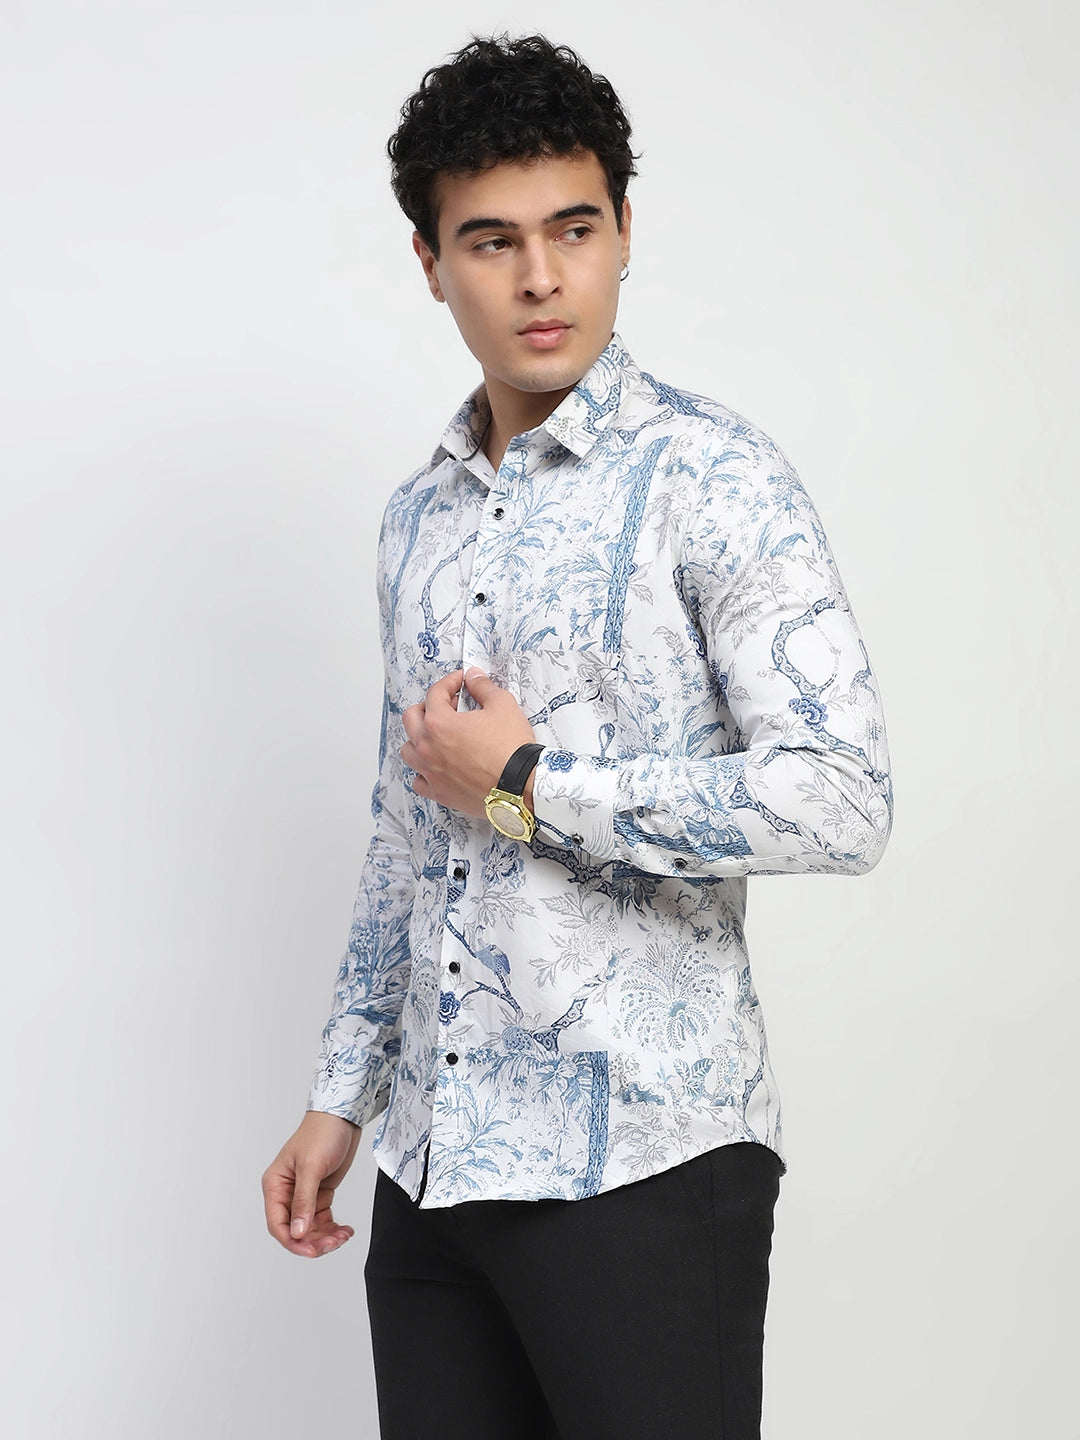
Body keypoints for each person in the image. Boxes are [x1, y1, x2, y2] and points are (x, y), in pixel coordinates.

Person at [262, 33, 891, 1440]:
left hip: (645, 1161)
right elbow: (406, 826)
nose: (540, 277)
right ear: (431, 263)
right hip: (435, 1169)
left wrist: (529, 784)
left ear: (624, 232)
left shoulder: (715, 479)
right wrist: (341, 1094)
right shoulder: (416, 519)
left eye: (574, 229)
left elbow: (842, 796)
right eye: (491, 241)